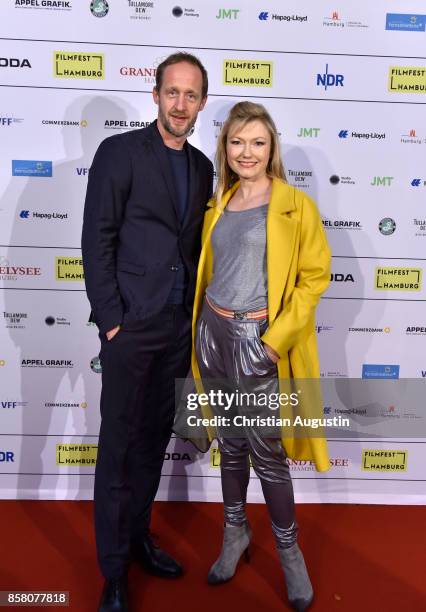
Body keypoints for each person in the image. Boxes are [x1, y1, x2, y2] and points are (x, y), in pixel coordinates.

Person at [82, 52, 213, 612]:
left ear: (201, 103)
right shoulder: (119, 153)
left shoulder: (204, 165)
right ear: (156, 95)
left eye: (191, 95)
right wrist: (112, 319)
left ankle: (138, 538)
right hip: (130, 326)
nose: (180, 104)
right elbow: (97, 238)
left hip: (177, 328)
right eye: (172, 92)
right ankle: (113, 573)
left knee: (154, 443)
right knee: (118, 448)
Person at [191, 102, 331, 611]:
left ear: (271, 148)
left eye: (257, 142)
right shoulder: (217, 202)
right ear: (224, 148)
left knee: (267, 454)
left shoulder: (295, 205)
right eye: (237, 142)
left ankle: (290, 554)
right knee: (230, 445)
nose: (246, 152)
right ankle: (235, 534)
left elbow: (314, 279)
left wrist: (275, 340)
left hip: (259, 341)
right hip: (212, 334)